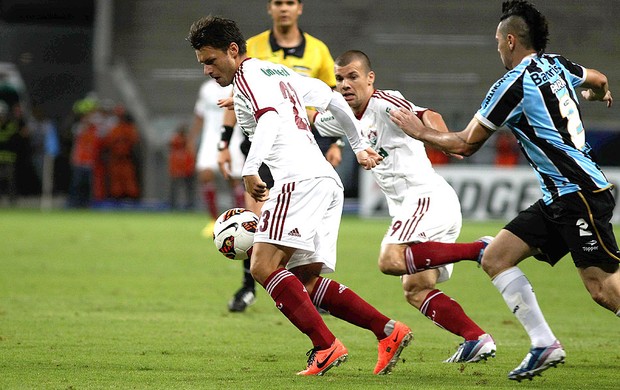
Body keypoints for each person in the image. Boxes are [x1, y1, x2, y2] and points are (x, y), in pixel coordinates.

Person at [389, 0, 618, 382]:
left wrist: (419, 131)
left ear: (510, 40)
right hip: (558, 197)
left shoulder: (513, 83)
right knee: (496, 257)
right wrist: (600, 92)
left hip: (578, 193)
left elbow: (464, 145)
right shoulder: (557, 64)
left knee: (603, 288)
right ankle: (544, 344)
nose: (496, 48)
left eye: (497, 40)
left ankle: (545, 343)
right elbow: (596, 77)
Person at [187, 15, 413, 377]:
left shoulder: (248, 79)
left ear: (233, 50)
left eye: (210, 60)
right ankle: (388, 331)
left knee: (263, 266)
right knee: (304, 282)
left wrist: (250, 169)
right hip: (324, 180)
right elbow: (332, 99)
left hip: (296, 181)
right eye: (203, 64)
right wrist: (357, 146)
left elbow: (272, 118)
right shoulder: (274, 72)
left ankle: (326, 347)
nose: (206, 70)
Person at [313, 50, 496, 363]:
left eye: (353, 77)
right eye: (340, 78)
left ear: (370, 79)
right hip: (412, 208)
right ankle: (476, 339)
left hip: (425, 197)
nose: (345, 84)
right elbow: (311, 119)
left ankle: (478, 249)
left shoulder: (386, 102)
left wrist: (444, 139)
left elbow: (426, 114)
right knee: (415, 287)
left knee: (390, 260)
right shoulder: (338, 112)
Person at [220, 0, 344, 313]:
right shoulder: (253, 46)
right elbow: (242, 97)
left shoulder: (318, 51)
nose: (284, 8)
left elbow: (331, 97)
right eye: (278, 2)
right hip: (260, 151)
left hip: (298, 147)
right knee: (256, 224)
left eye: (290, 2)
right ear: (270, 8)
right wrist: (223, 142)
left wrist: (335, 142)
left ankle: (305, 289)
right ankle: (249, 288)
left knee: (294, 230)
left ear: (299, 8)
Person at [187, 78, 245, 227]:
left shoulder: (236, 86)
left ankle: (240, 220)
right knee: (205, 174)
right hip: (210, 139)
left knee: (234, 179)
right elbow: (200, 115)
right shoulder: (206, 88)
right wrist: (192, 138)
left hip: (233, 136)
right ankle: (213, 221)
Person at [168, 123, 195, 210]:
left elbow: (191, 155)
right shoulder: (175, 141)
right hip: (177, 169)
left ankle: (190, 204)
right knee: (175, 188)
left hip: (187, 169)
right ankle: (173, 204)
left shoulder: (189, 143)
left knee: (189, 188)